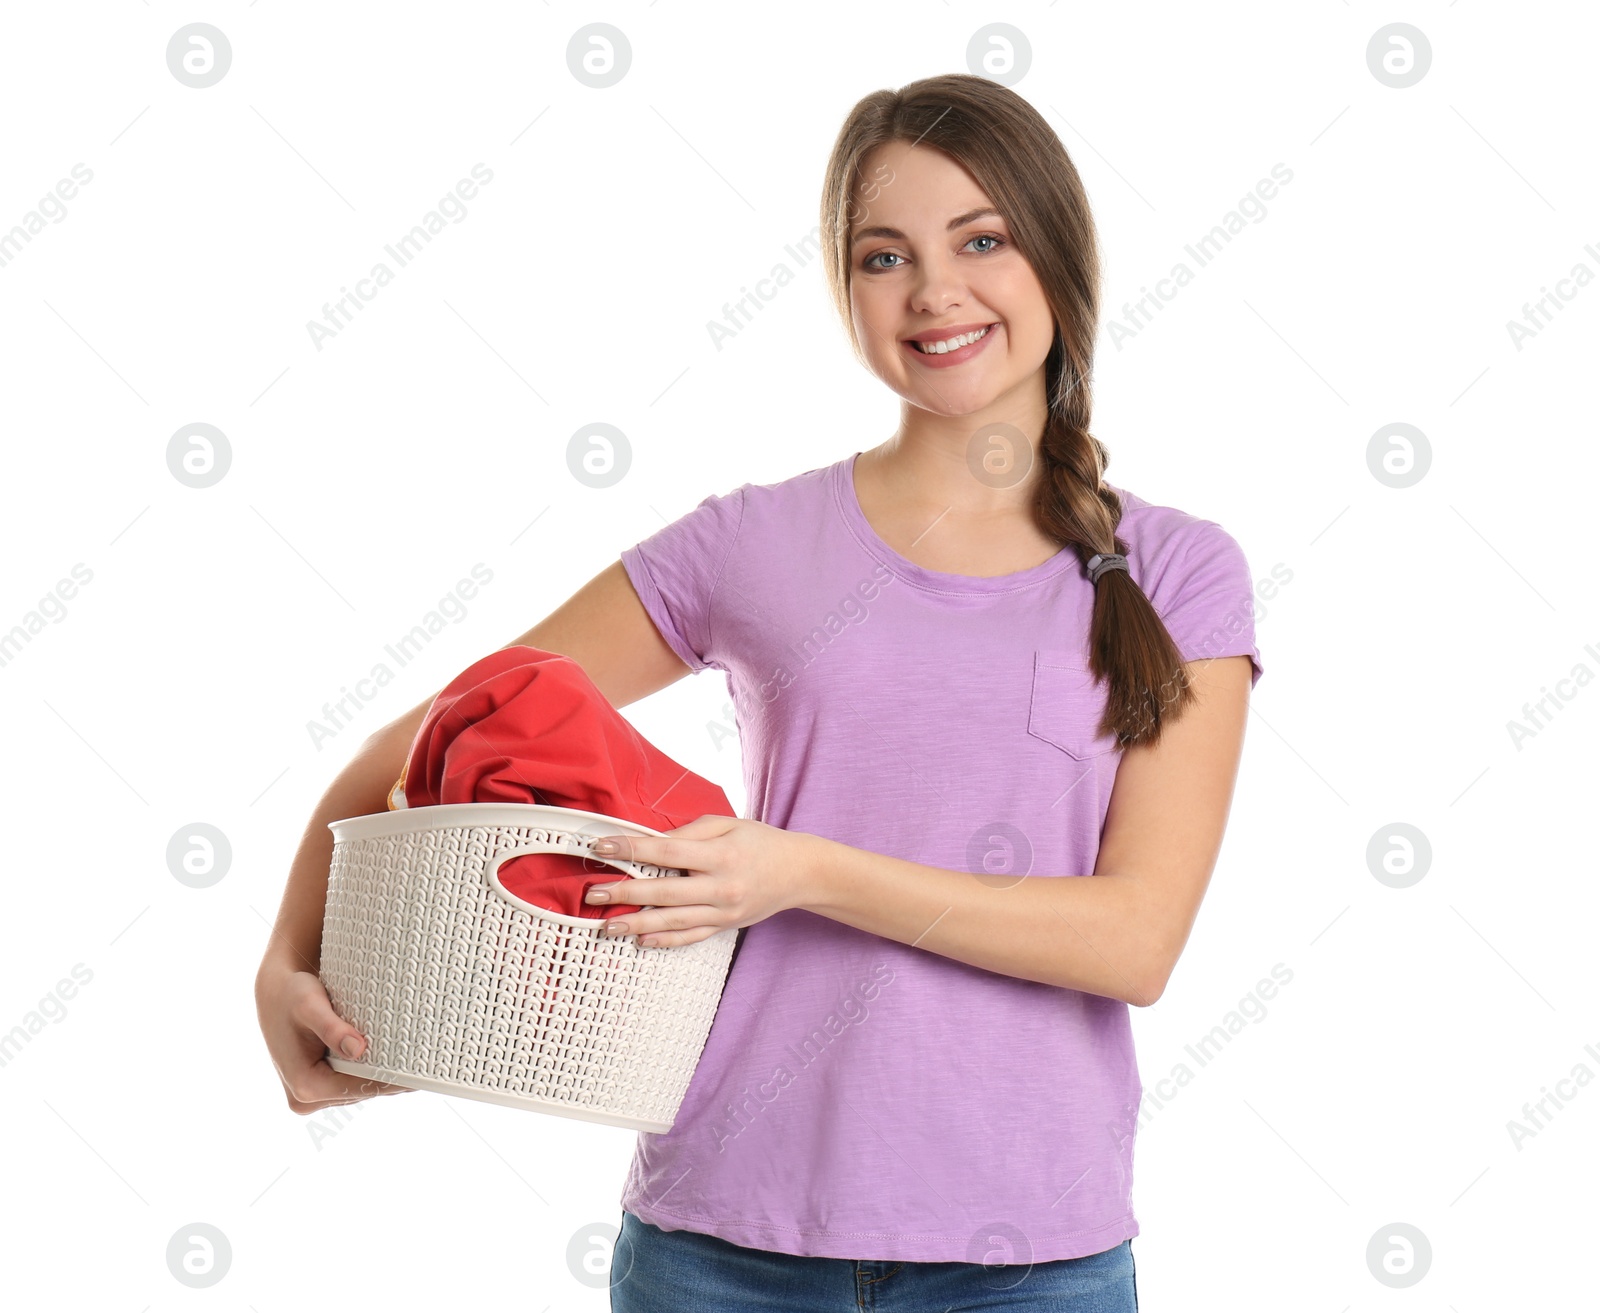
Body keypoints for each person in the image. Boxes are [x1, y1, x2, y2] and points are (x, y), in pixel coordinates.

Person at [256, 72, 1263, 1313]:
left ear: (1058, 254)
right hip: (719, 1242)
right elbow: (429, 735)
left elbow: (1134, 939)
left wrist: (804, 868)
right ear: (845, 292)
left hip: (1031, 1259)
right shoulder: (750, 544)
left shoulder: (1177, 571)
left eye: (982, 240)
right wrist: (283, 957)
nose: (935, 290)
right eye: (883, 254)